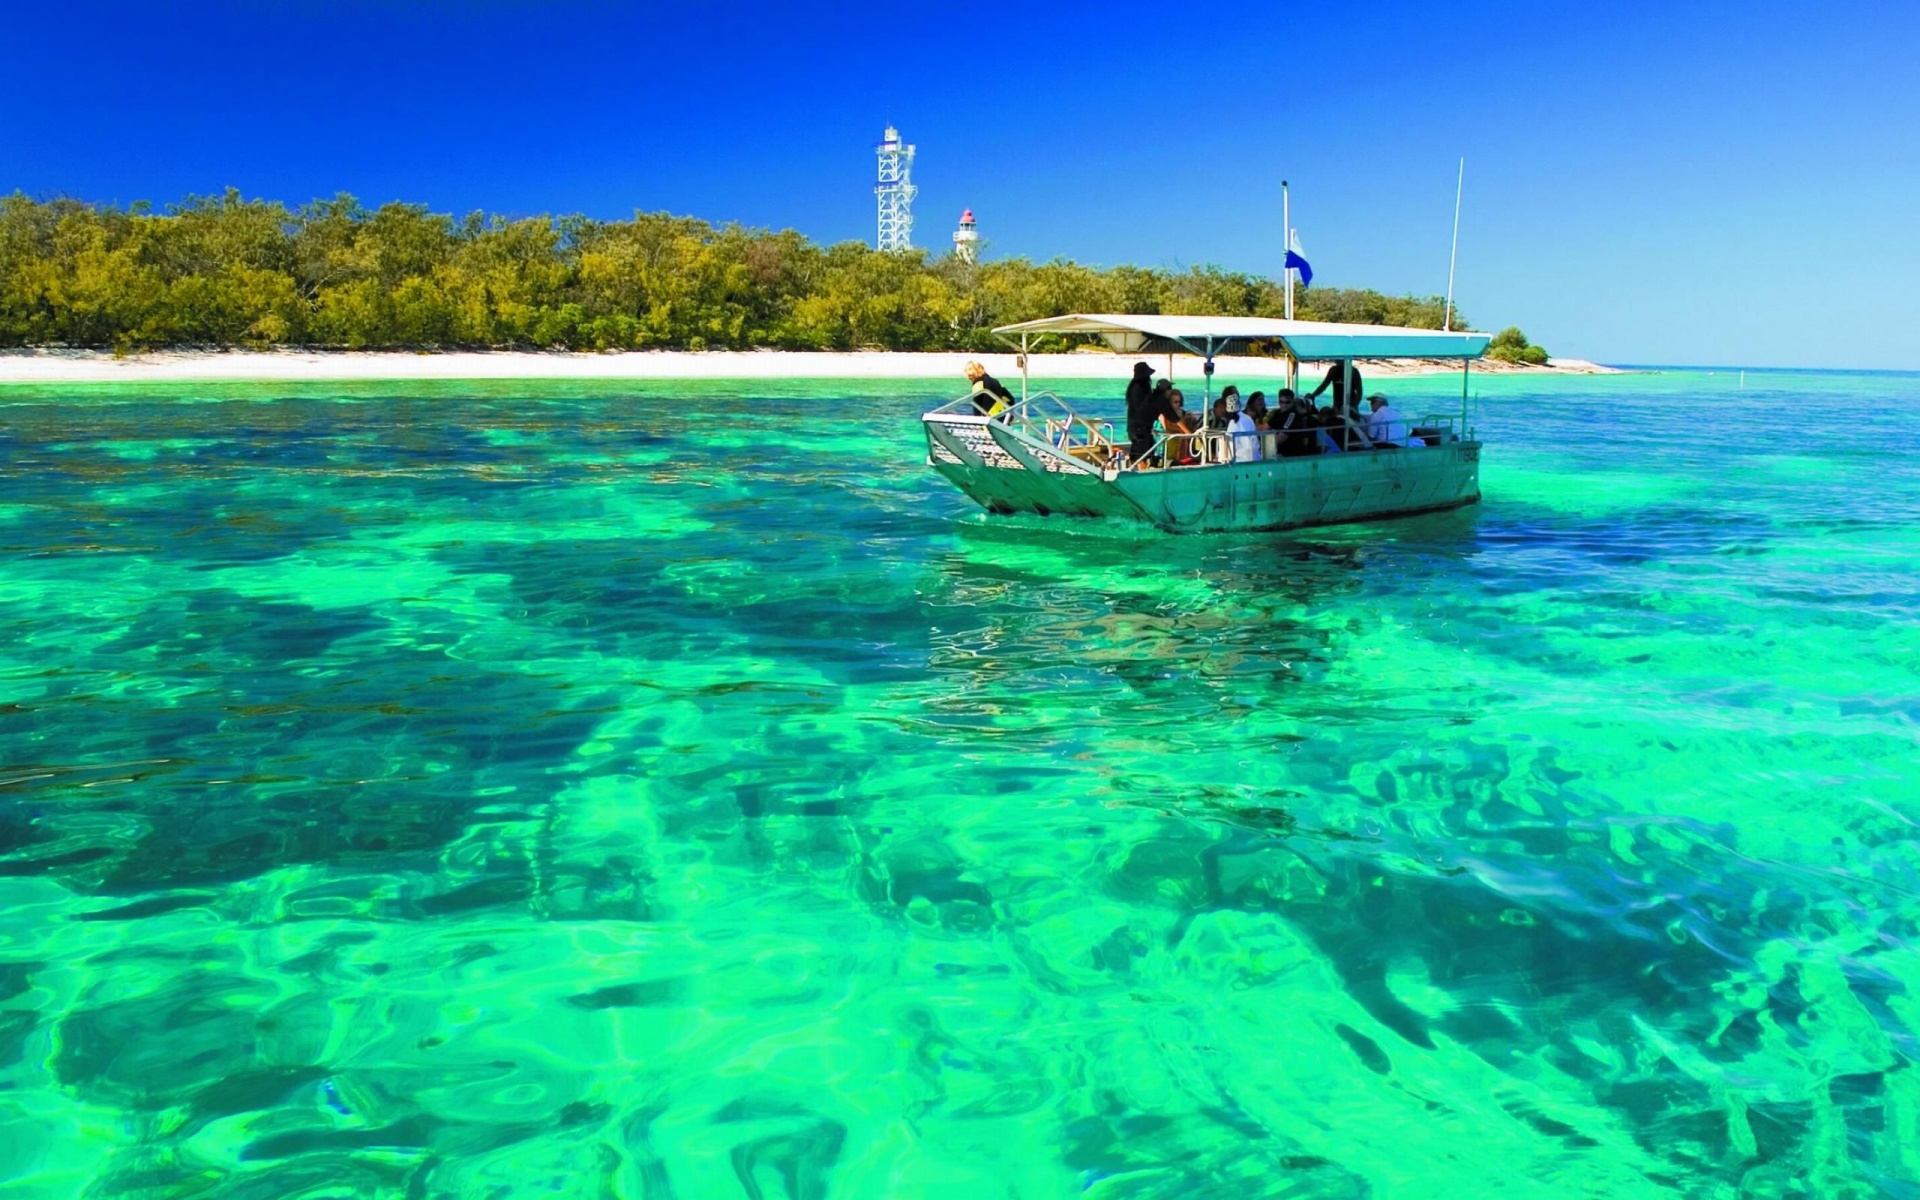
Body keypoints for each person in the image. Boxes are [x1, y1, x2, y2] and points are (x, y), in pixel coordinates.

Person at [1123, 361, 1166, 464]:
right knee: (1142, 455)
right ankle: (1141, 472)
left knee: (1140, 453)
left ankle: (1138, 470)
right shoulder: (1141, 388)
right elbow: (1145, 406)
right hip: (1140, 429)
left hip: (1135, 427)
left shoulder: (1134, 387)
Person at [1226, 390, 1261, 463]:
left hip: (1240, 461)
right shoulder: (1248, 418)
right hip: (1255, 458)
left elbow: (1231, 447)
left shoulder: (1232, 423)